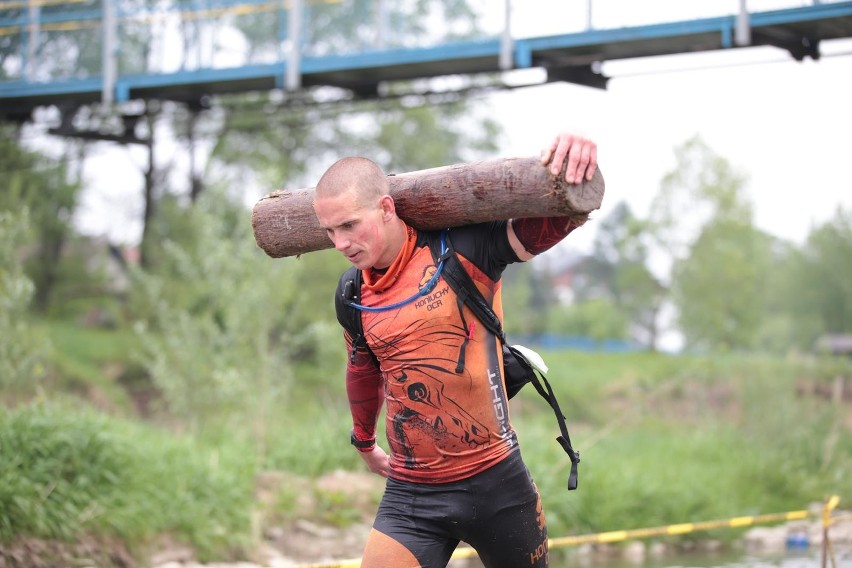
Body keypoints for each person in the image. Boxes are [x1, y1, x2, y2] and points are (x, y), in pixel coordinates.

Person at [312, 132, 598, 568]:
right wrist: (364, 441)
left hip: (497, 482)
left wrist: (573, 166)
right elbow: (363, 370)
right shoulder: (352, 292)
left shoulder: (463, 250)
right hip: (412, 494)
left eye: (349, 225)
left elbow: (552, 223)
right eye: (330, 230)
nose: (340, 244)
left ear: (386, 208)